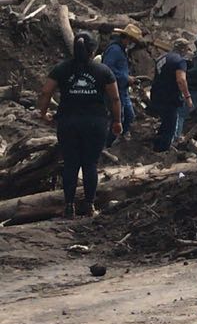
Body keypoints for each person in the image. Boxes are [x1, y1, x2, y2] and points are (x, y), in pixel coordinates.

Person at [36, 31, 122, 218]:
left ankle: (69, 207)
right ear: (93, 50)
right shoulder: (103, 71)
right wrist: (117, 121)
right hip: (95, 122)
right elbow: (115, 98)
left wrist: (43, 113)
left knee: (71, 164)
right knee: (90, 164)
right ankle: (89, 206)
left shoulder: (61, 69)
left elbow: (45, 92)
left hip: (68, 122)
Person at [101, 23, 144, 148]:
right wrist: (126, 78)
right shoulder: (115, 50)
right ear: (127, 39)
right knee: (117, 117)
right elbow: (108, 69)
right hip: (114, 89)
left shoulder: (122, 50)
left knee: (129, 115)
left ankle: (118, 140)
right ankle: (106, 144)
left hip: (122, 88)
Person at [151, 38, 195, 152]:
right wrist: (188, 97)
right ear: (183, 49)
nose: (187, 52)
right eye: (186, 49)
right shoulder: (180, 61)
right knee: (170, 125)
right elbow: (181, 80)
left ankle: (156, 146)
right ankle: (163, 151)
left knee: (165, 122)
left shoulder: (161, 57)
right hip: (170, 97)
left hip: (156, 94)